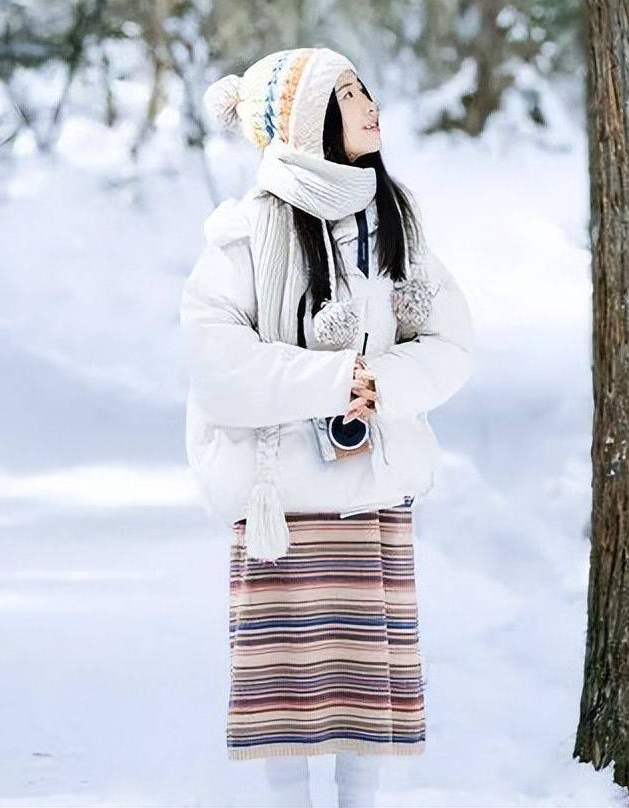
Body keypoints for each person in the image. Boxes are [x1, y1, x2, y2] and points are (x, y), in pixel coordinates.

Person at [179, 46, 474, 808]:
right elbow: (218, 367)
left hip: (368, 492)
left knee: (361, 693)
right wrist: (335, 377)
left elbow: (448, 342)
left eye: (365, 89)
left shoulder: (395, 225)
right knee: (289, 691)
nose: (371, 105)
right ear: (308, 119)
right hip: (282, 496)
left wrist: (385, 382)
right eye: (348, 94)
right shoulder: (243, 234)